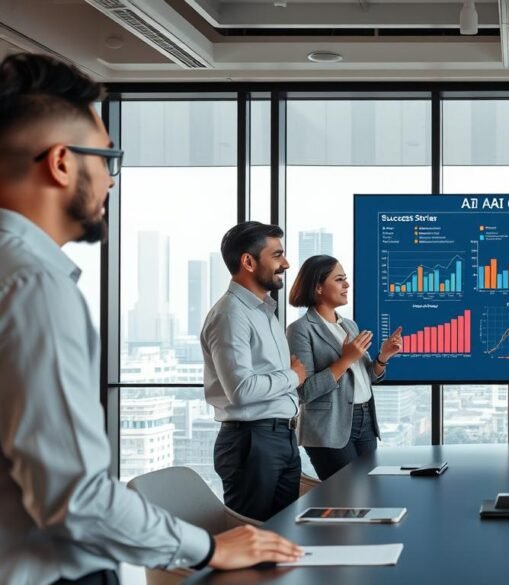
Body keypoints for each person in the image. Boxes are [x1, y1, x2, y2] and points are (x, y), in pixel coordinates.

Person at [0, 52, 301, 585]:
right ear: (62, 162)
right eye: (107, 158)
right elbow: (77, 499)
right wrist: (207, 548)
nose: (112, 182)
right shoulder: (32, 284)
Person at [202, 221, 308, 522]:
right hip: (252, 443)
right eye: (277, 255)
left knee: (282, 534)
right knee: (253, 540)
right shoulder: (230, 315)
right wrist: (293, 377)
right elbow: (241, 390)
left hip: (281, 437)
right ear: (248, 261)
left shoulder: (264, 312)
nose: (286, 264)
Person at [286, 255, 404, 480]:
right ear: (318, 287)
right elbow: (305, 391)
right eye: (339, 279)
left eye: (346, 279)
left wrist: (383, 357)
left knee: (369, 491)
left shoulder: (349, 325)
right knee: (347, 496)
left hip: (365, 419)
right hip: (328, 426)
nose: (347, 285)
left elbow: (367, 377)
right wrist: (345, 360)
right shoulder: (300, 330)